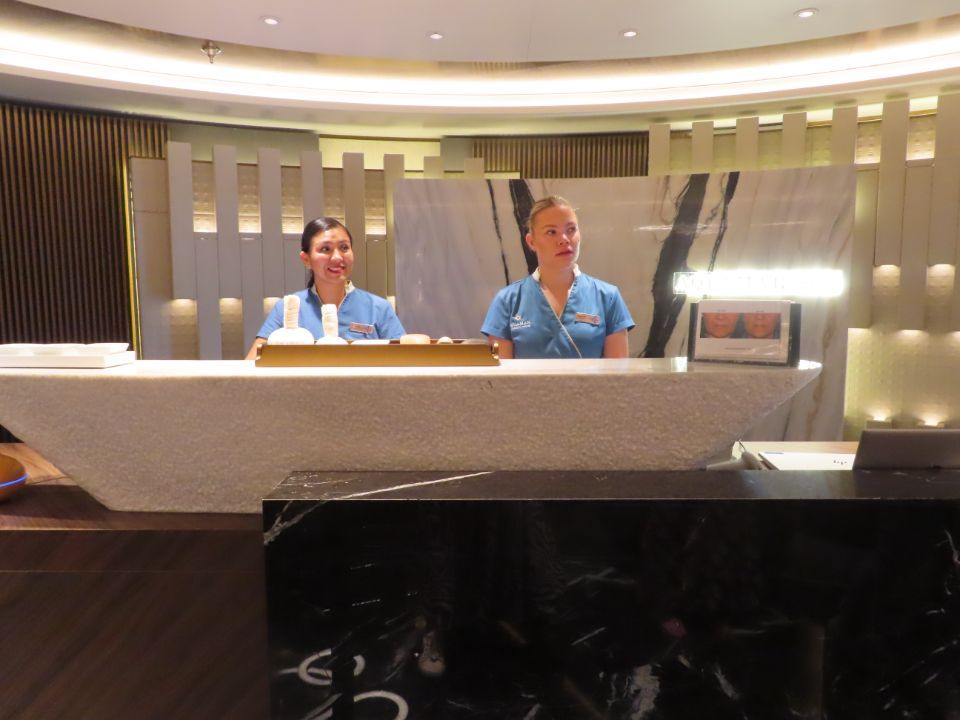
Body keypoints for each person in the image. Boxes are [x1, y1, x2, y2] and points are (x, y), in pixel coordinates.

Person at [481, 196, 634, 358]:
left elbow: (619, 377)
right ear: (531, 241)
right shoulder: (507, 301)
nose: (564, 240)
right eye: (551, 232)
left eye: (571, 229)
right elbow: (499, 378)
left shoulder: (608, 297)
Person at [245, 217, 405, 359]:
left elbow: (406, 360)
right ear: (306, 259)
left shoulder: (378, 308)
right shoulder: (288, 308)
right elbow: (252, 365)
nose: (337, 257)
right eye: (325, 249)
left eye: (344, 248)